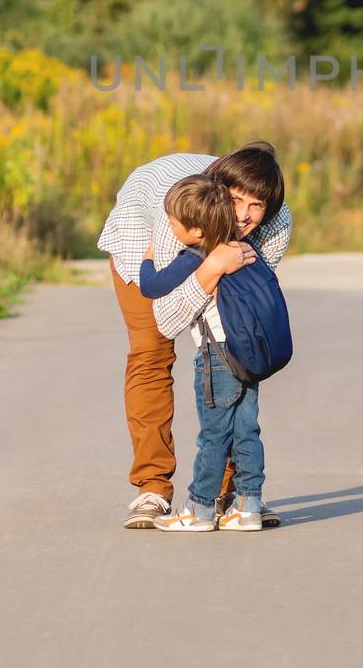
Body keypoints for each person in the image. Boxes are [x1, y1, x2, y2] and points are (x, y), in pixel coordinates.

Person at [98, 141, 291, 529]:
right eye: (236, 201)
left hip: (203, 247)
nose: (244, 216)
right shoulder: (182, 219)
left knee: (234, 359)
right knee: (151, 354)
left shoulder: (276, 223)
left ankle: (231, 495)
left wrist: (221, 271)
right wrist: (210, 268)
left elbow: (246, 313)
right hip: (145, 243)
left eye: (256, 206)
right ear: (220, 193)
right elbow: (168, 317)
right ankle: (152, 488)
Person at [139, 175, 272, 531]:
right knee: (247, 430)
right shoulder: (241, 248)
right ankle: (248, 507)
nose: (169, 227)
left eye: (172, 223)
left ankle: (198, 509)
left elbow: (153, 286)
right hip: (248, 353)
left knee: (214, 434)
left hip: (218, 356)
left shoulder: (199, 253)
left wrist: (149, 257)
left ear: (197, 230)